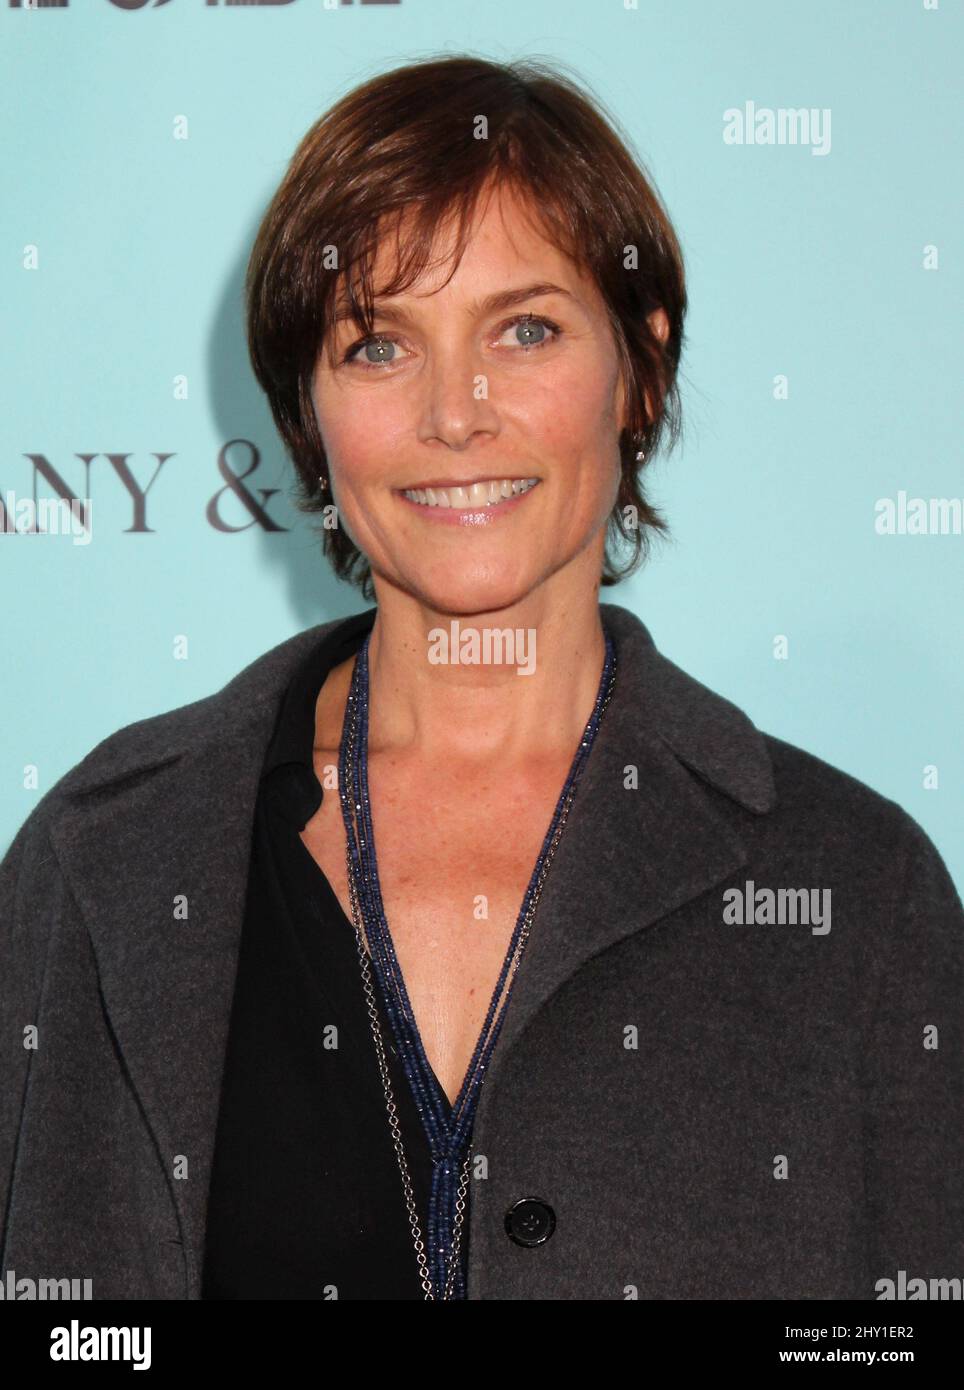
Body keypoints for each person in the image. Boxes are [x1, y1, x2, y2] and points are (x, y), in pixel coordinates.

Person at [1, 54, 961, 1303]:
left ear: (643, 368)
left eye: (524, 329)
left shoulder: (857, 893)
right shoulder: (110, 858)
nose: (457, 413)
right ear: (310, 408)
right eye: (380, 345)